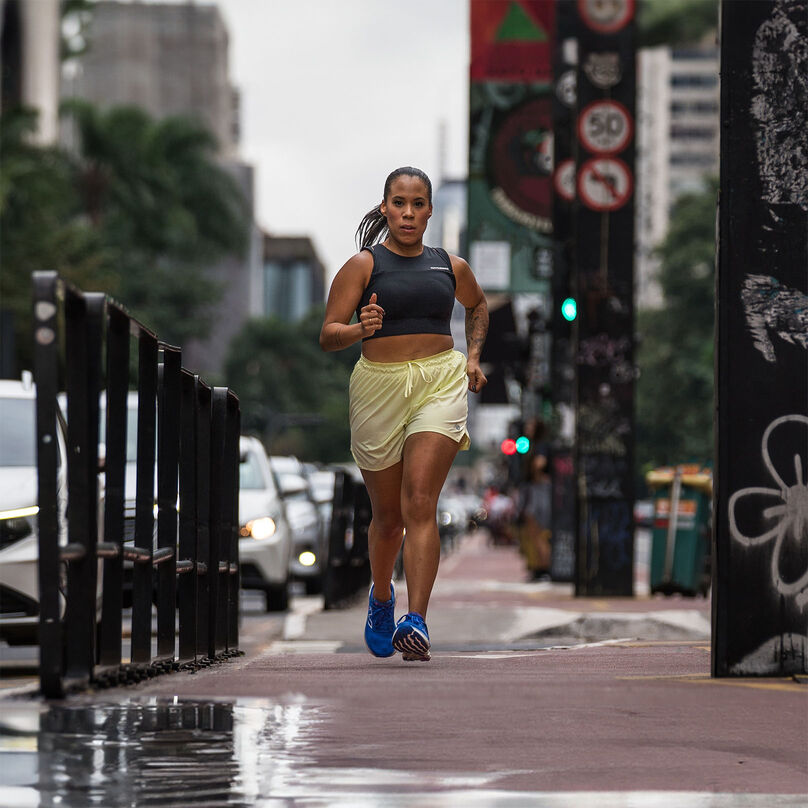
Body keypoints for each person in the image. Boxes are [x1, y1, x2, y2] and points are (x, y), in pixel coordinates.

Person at [319, 166, 489, 662]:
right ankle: (381, 597)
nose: (408, 213)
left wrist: (473, 357)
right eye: (399, 203)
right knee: (389, 519)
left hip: (438, 380)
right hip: (379, 387)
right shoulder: (363, 266)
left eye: (418, 204)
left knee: (420, 501)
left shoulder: (449, 266)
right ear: (384, 207)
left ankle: (416, 620)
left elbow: (477, 308)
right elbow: (328, 334)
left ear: (431, 210)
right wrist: (359, 329)